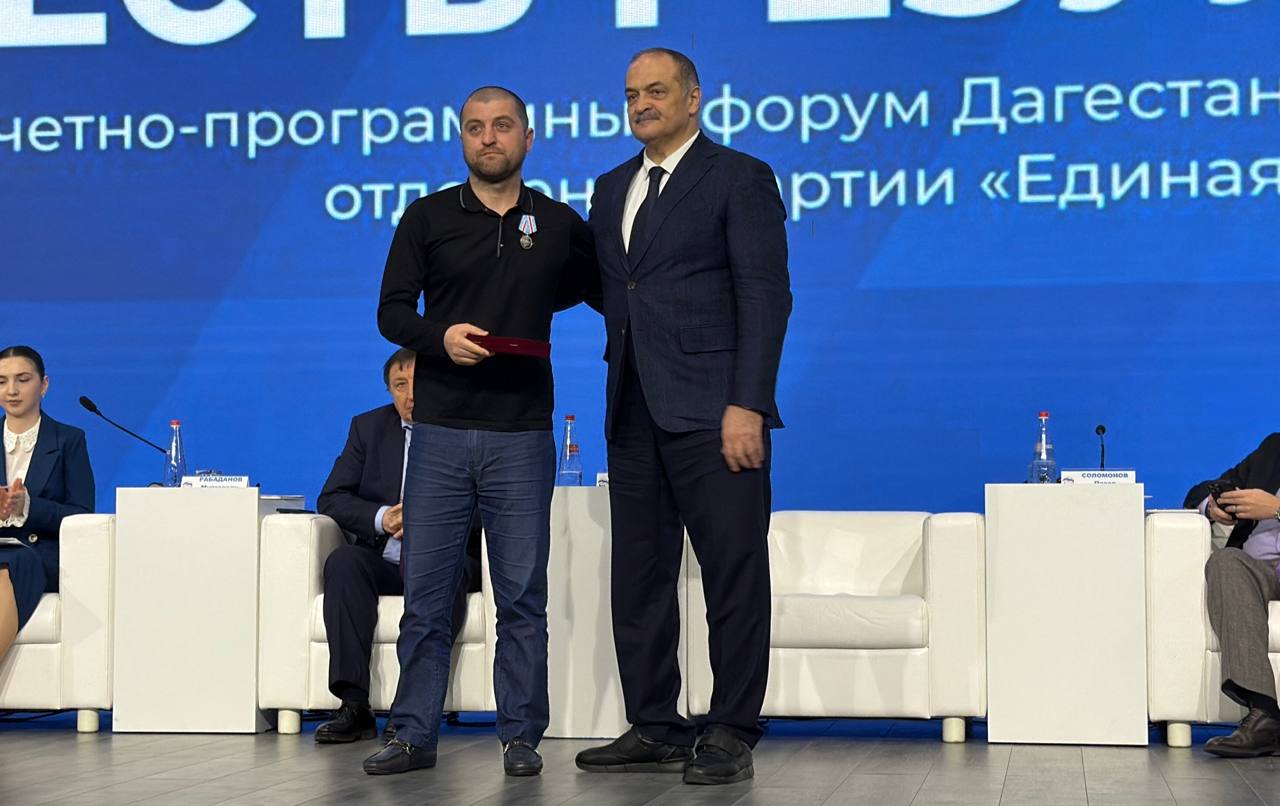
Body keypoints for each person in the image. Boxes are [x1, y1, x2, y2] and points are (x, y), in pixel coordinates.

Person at [364, 85, 598, 777]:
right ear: (462, 139)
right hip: (438, 432)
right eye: (475, 127)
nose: (488, 137)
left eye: (501, 125)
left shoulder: (559, 223)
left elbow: (596, 291)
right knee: (426, 597)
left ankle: (521, 738)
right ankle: (412, 735)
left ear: (529, 137)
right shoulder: (427, 217)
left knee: (522, 598)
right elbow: (391, 312)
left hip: (522, 434)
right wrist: (439, 338)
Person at [574, 49, 791, 785]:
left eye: (657, 91)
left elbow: (765, 296)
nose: (642, 104)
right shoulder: (611, 187)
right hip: (633, 407)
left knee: (732, 572)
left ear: (693, 98)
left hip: (715, 410)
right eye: (631, 93)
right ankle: (655, 725)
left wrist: (747, 402)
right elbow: (618, 289)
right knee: (638, 578)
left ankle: (731, 728)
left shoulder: (739, 176)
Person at [313, 348, 482, 744]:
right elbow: (332, 498)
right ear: (389, 390)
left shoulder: (466, 429)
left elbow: (491, 503)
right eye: (400, 385)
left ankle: (411, 710)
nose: (411, 396)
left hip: (446, 556)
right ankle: (354, 704)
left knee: (449, 569)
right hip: (387, 559)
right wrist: (383, 518)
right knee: (344, 563)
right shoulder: (368, 428)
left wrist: (432, 519)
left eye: (418, 384)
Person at [0, 345, 95, 663]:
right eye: (2, 381)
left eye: (23, 379)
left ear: (43, 385)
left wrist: (28, 507)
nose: (12, 390)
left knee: (6, 569)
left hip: (37, 554)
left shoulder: (69, 440)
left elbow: (83, 515)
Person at [1188, 432, 1280, 757]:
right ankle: (1264, 715)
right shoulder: (1274, 449)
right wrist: (1213, 507)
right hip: (1261, 570)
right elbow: (1201, 491)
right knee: (1226, 562)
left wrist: (1277, 509)